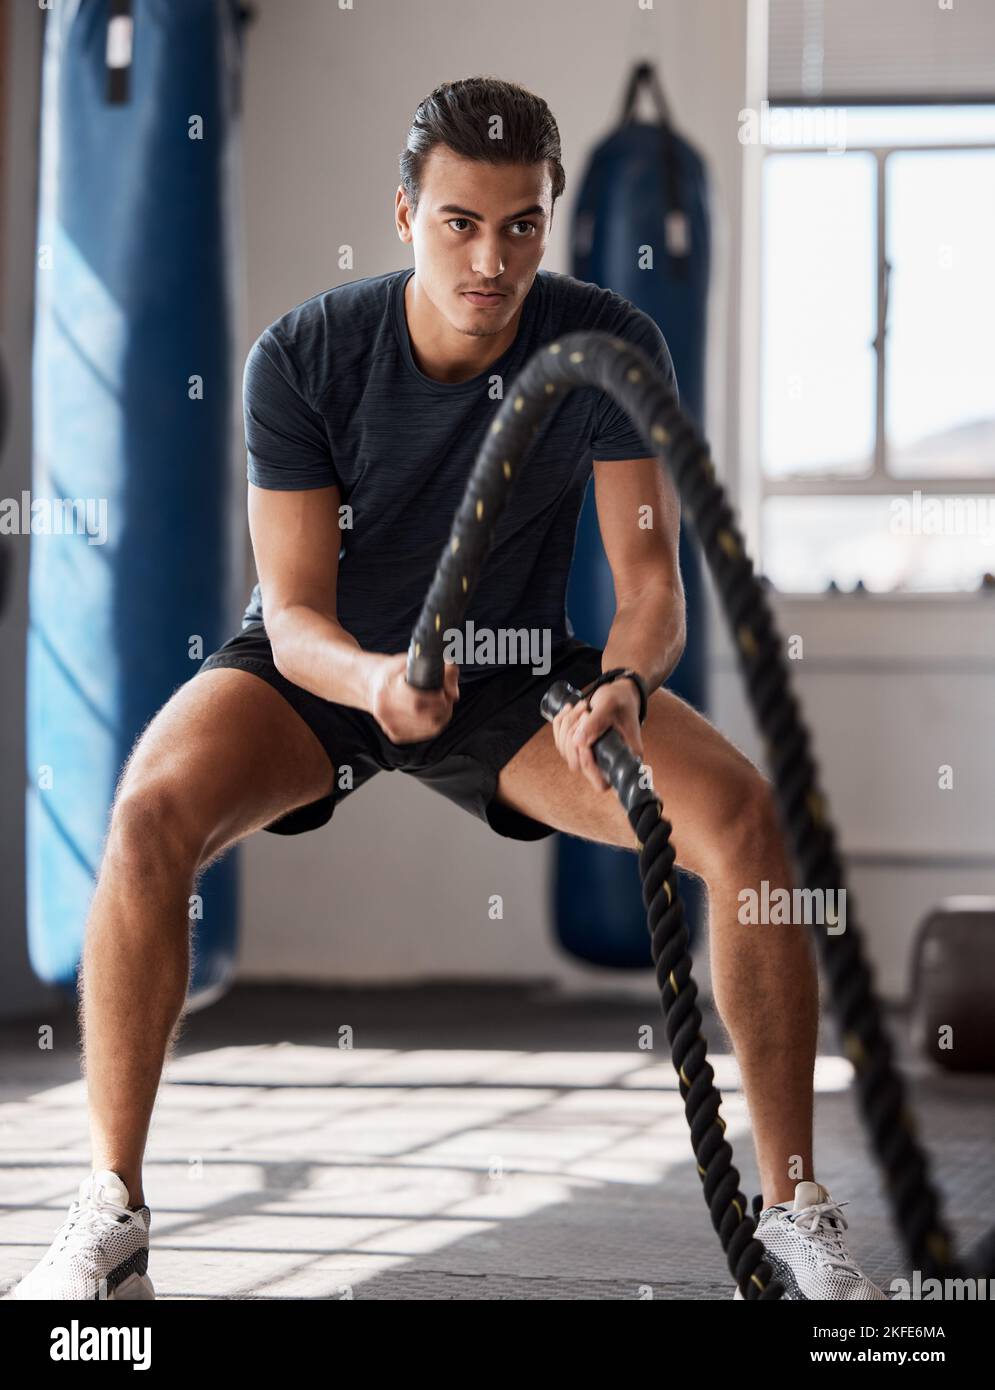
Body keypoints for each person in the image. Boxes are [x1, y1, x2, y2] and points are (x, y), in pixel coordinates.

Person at [13, 76, 884, 1301]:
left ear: (549, 217)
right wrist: (376, 681)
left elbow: (649, 587)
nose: (491, 258)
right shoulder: (305, 357)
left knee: (744, 819)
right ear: (405, 214)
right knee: (149, 810)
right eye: (459, 223)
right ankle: (109, 1207)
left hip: (510, 675)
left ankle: (794, 1207)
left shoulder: (608, 344)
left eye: (521, 223)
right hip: (324, 671)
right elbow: (297, 611)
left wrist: (625, 684)